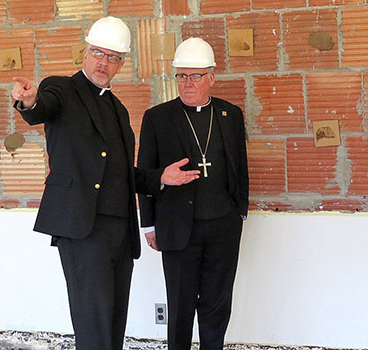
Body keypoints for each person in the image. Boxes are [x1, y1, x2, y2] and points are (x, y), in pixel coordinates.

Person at [11, 16, 199, 350]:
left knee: (114, 322)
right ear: (85, 53)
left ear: (121, 64)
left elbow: (122, 173)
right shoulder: (63, 89)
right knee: (93, 323)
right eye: (99, 53)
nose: (104, 62)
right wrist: (29, 101)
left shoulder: (118, 108)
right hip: (83, 227)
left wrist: (160, 177)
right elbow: (42, 106)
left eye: (113, 57)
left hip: (119, 231)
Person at [137, 37, 249, 350]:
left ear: (211, 77)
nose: (188, 83)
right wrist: (148, 225)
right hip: (176, 227)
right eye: (182, 76)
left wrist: (240, 211)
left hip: (223, 226)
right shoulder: (157, 118)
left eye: (195, 76)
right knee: (180, 305)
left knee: (216, 304)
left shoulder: (230, 115)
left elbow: (240, 167)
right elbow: (144, 174)